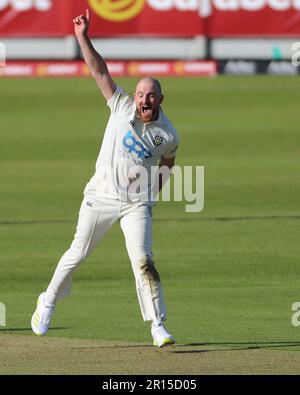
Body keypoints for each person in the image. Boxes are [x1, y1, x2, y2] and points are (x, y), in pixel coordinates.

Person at [31, 9, 179, 348]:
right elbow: (99, 70)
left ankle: (157, 324)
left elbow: (169, 162)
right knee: (77, 253)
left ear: (160, 100)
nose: (144, 99)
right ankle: (48, 302)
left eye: (150, 95)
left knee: (144, 261)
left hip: (136, 203)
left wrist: (154, 191)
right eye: (141, 94)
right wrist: (83, 36)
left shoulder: (168, 133)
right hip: (102, 195)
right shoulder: (121, 105)